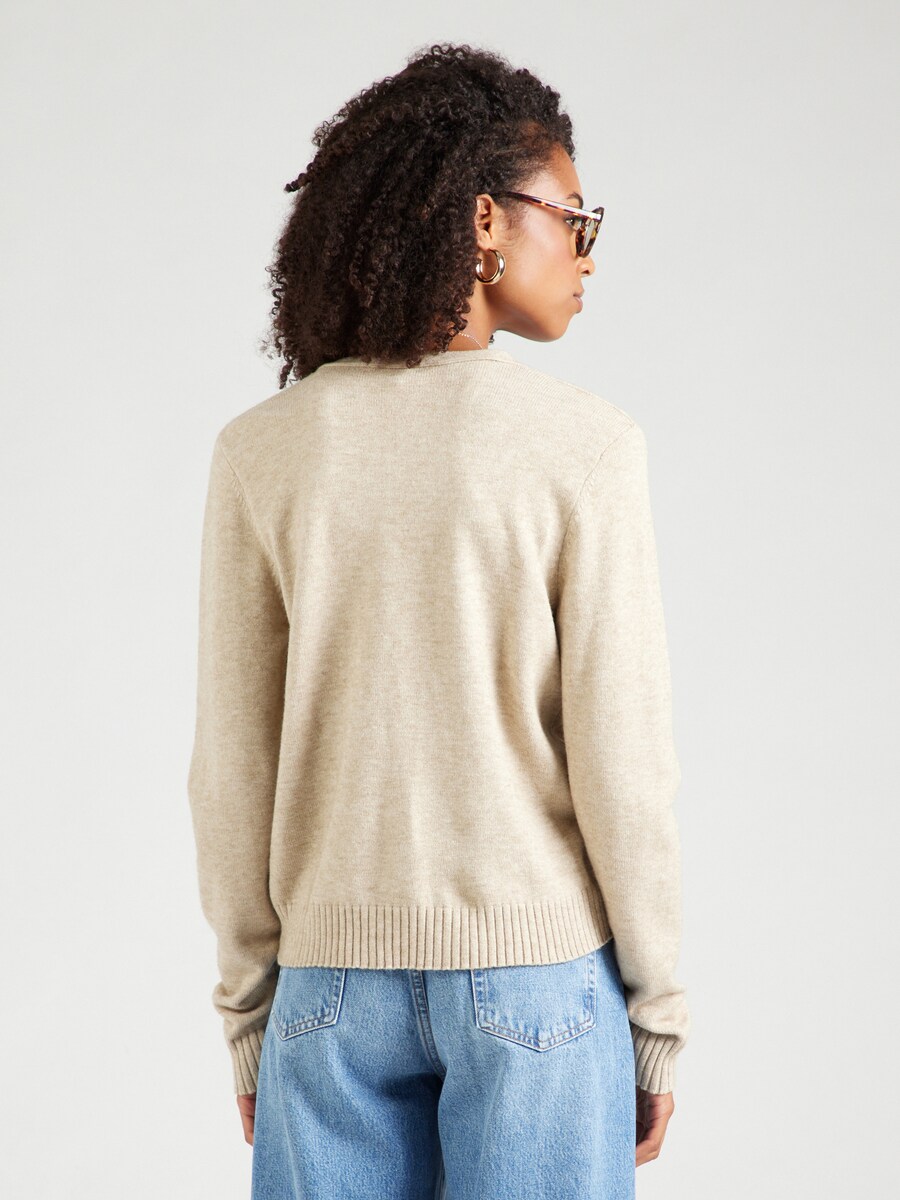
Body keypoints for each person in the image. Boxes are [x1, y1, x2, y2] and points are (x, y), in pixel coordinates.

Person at [187, 41, 690, 1199]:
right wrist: (657, 1014)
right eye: (574, 217)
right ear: (484, 219)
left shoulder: (263, 452)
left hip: (326, 990)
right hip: (538, 984)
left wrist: (252, 1013)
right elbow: (624, 759)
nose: (586, 254)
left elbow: (231, 766)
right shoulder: (587, 449)